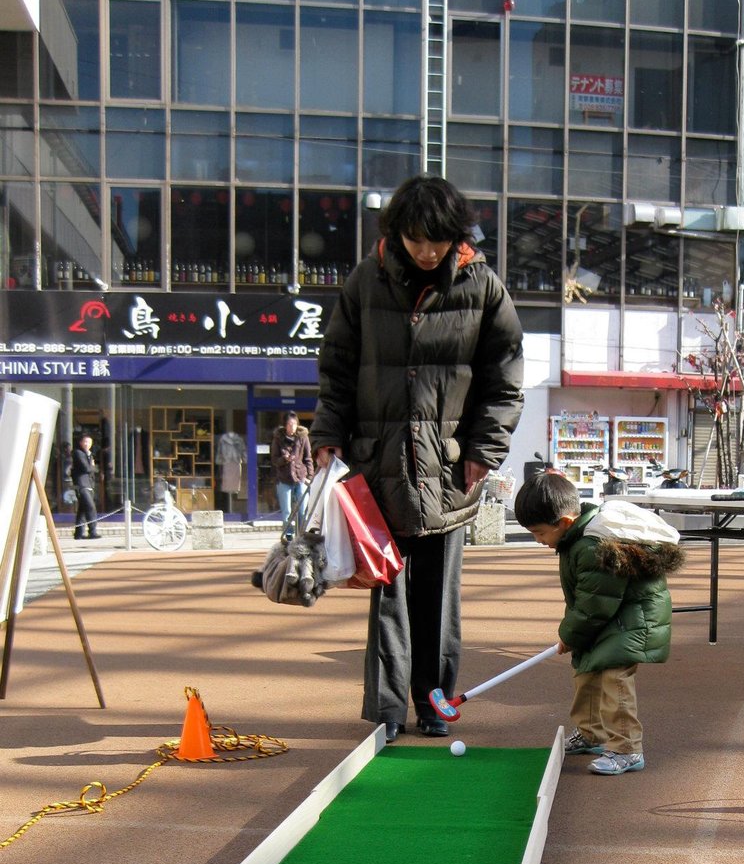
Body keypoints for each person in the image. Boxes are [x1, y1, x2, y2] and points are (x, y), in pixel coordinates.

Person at [310, 174, 524, 742]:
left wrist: (484, 451)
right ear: (396, 234)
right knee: (387, 590)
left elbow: (505, 378)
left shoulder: (482, 286)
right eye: (415, 240)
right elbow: (336, 367)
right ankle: (386, 710)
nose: (426, 252)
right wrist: (327, 433)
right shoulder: (365, 280)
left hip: (451, 469)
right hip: (377, 467)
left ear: (457, 237)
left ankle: (433, 703)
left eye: (437, 241)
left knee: (437, 597)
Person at [513, 471, 684, 776]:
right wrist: (575, 635)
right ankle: (590, 733)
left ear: (564, 522)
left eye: (539, 533)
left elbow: (595, 604)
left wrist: (570, 635)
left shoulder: (592, 546)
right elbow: (589, 600)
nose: (538, 541)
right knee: (586, 671)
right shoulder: (574, 539)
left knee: (613, 679)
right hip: (608, 618)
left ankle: (627, 748)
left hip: (631, 620)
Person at [270, 411, 313, 539]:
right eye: (289, 424)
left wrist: (310, 477)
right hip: (284, 478)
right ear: (285, 425)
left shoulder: (303, 437)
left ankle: (302, 535)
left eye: (294, 424)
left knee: (303, 509)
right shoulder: (278, 438)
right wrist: (285, 459)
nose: (292, 427)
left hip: (300, 477)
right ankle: (289, 536)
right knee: (287, 511)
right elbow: (274, 459)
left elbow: (308, 458)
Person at [70, 430, 100, 540]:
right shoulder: (78, 453)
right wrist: (93, 467)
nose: (87, 444)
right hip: (81, 484)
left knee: (82, 509)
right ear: (81, 442)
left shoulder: (89, 454)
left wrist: (92, 466)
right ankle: (92, 531)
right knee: (90, 507)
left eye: (89, 442)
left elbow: (91, 470)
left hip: (89, 484)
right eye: (85, 442)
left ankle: (78, 533)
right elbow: (87, 468)